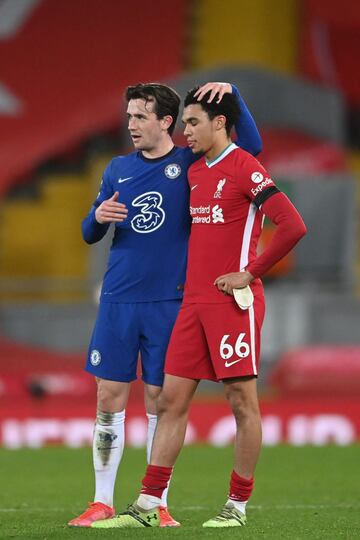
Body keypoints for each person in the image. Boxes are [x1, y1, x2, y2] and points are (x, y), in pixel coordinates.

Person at [90, 86, 307, 529]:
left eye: (192, 123)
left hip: (233, 302)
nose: (184, 132)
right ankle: (148, 507)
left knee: (242, 402)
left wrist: (251, 271)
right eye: (183, 122)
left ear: (220, 123)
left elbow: (293, 224)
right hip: (192, 302)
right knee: (170, 401)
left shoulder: (246, 166)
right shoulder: (194, 172)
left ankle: (237, 505)